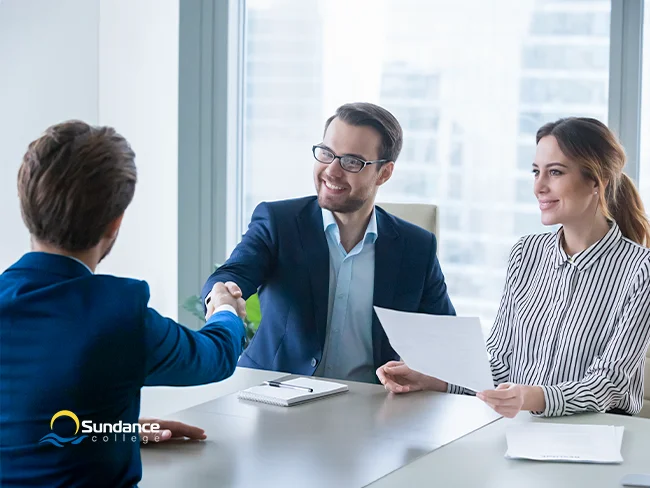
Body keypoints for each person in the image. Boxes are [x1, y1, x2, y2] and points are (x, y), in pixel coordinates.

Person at [0, 121, 247, 487]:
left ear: (25, 207)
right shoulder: (119, 315)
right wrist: (225, 308)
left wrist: (113, 431)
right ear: (114, 224)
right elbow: (216, 356)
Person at [377, 117, 650, 418]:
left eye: (555, 172)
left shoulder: (639, 270)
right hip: (521, 429)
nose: (539, 186)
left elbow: (609, 383)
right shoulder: (525, 253)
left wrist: (534, 397)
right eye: (536, 172)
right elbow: (500, 361)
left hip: (597, 437)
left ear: (597, 181)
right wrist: (435, 378)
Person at [202, 102, 455, 383]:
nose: (331, 171)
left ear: (384, 173)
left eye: (351, 162)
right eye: (326, 153)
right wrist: (222, 295)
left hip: (370, 408)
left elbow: (447, 344)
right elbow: (232, 274)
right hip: (274, 394)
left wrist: (423, 371)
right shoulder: (279, 222)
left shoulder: (416, 247)